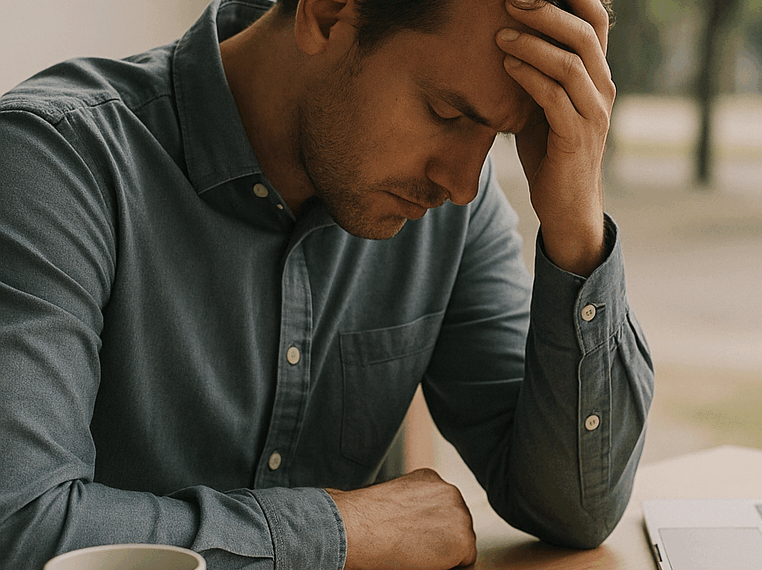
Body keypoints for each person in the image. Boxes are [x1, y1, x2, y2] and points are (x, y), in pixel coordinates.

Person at [0, 0, 655, 567]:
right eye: (449, 114)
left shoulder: (452, 210)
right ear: (328, 12)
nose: (461, 182)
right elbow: (18, 528)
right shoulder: (53, 166)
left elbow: (574, 510)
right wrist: (345, 532)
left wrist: (575, 224)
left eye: (498, 136)